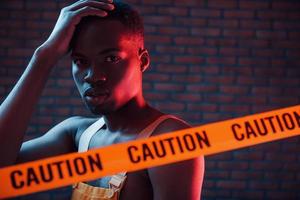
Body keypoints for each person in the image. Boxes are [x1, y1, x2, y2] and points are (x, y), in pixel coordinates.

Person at [0, 0, 205, 199]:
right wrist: (43, 56)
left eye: (111, 58)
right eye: (81, 61)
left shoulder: (171, 142)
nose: (93, 76)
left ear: (142, 61)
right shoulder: (78, 135)